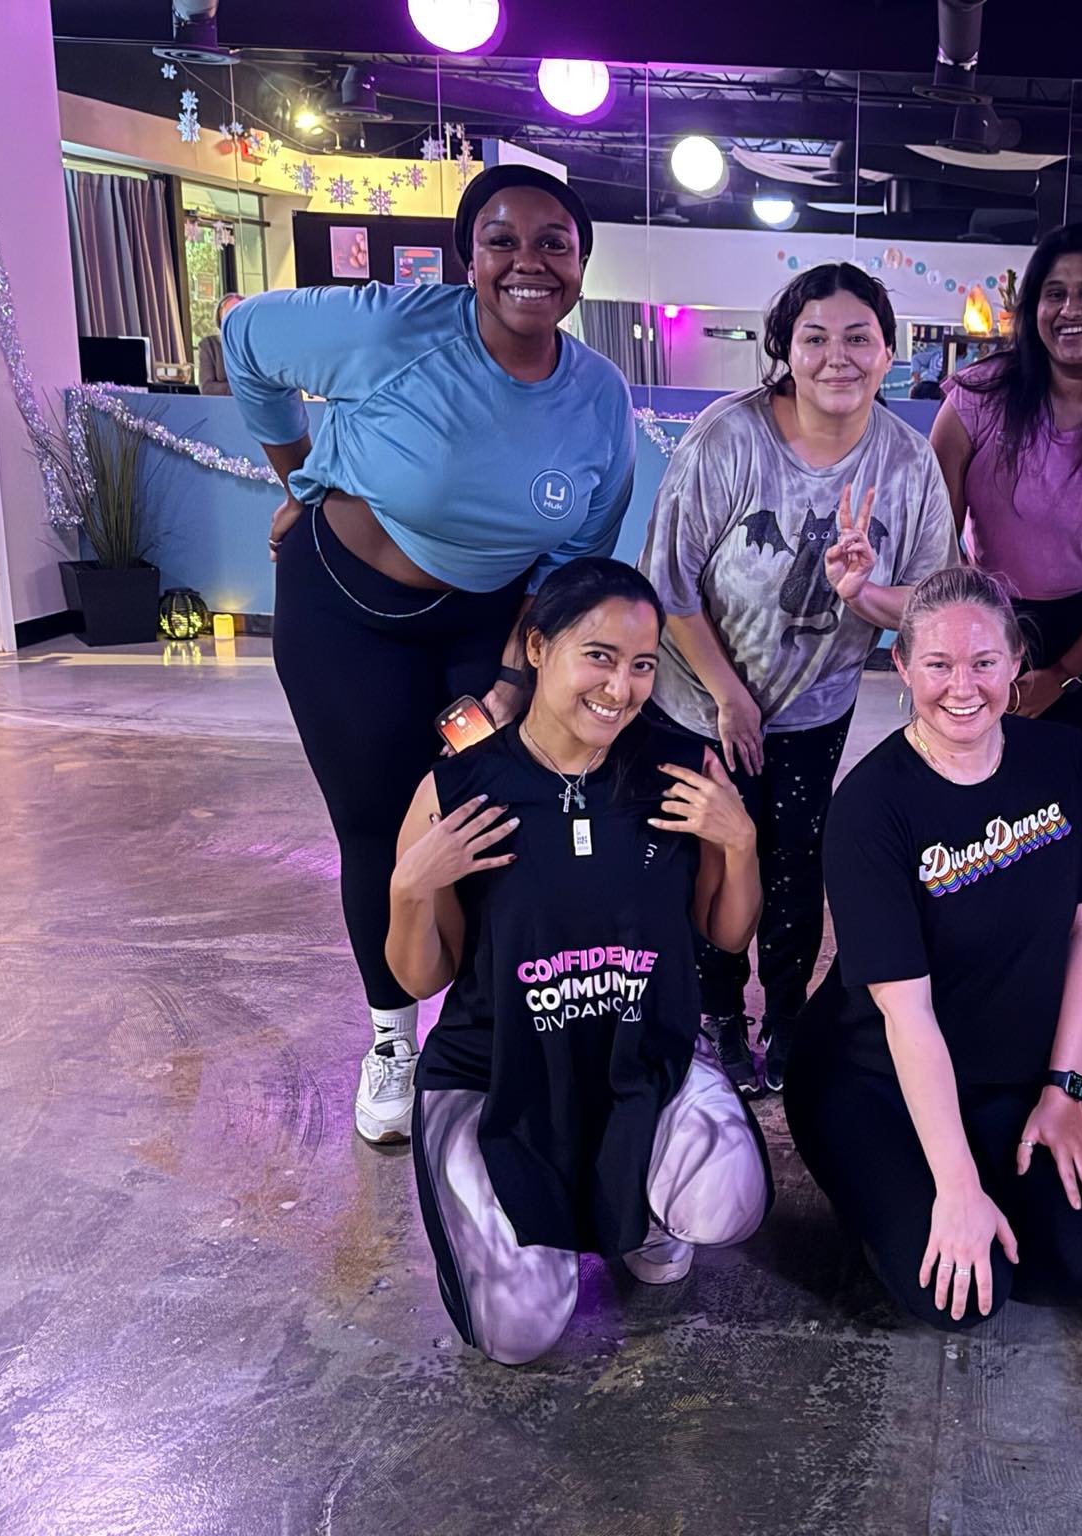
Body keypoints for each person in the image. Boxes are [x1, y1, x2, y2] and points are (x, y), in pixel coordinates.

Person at [224, 164, 636, 1147]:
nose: (527, 263)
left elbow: (577, 555)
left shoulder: (598, 398)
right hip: (344, 619)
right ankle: (390, 1039)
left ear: (580, 264)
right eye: (502, 241)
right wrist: (299, 480)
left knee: (494, 805)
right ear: (468, 256)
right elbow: (245, 343)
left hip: (479, 632)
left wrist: (507, 675)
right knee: (375, 822)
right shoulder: (393, 328)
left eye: (553, 244)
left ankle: (488, 1026)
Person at [386, 559, 769, 1365]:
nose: (621, 687)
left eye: (641, 665)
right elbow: (423, 979)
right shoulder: (461, 788)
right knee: (519, 1334)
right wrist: (409, 889)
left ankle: (646, 1205)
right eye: (598, 655)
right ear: (536, 647)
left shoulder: (678, 770)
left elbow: (726, 935)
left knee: (729, 1195)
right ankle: (540, 1223)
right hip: (499, 1076)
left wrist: (740, 845)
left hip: (641, 1059)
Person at [638, 262, 958, 1097]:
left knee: (793, 866)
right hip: (696, 702)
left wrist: (862, 592)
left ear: (890, 351)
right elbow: (667, 585)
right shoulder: (727, 439)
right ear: (786, 348)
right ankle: (715, 1014)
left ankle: (785, 1014)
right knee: (710, 861)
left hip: (815, 708)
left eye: (859, 338)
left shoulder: (906, 461)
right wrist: (727, 695)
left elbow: (931, 600)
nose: (837, 357)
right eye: (815, 338)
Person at [785, 568, 1082, 1331]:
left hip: (1004, 1076)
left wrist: (1063, 1091)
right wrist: (956, 1185)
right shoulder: (872, 807)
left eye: (983, 663)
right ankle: (874, 1195)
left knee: (1078, 1264)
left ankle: (962, 1173)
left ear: (1015, 664)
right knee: (963, 1297)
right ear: (902, 667)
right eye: (937, 664)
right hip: (872, 1076)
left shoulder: (1065, 763)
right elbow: (905, 1016)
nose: (961, 686)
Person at [930, 223, 1082, 748]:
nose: (1071, 309)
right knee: (978, 775)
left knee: (1062, 786)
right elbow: (936, 541)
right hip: (989, 619)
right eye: (1055, 294)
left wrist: (1065, 671)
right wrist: (972, 632)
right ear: (1032, 309)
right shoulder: (977, 398)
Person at [197, 293, 244, 394]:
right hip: (221, 406)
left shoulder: (254, 345)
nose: (233, 319)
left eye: (237, 313)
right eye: (228, 314)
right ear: (220, 318)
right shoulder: (208, 346)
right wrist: (242, 389)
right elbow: (207, 388)